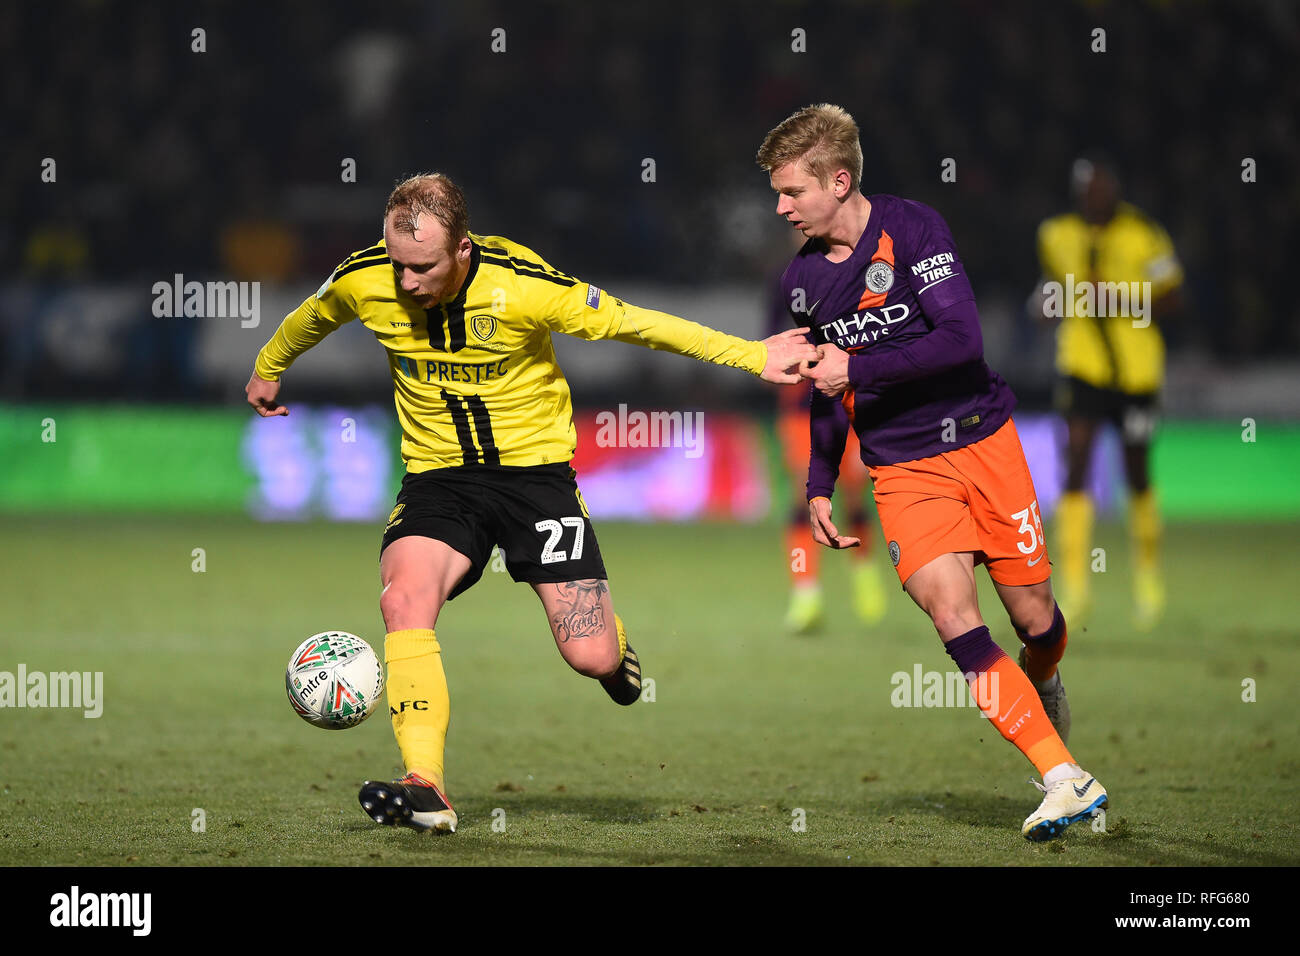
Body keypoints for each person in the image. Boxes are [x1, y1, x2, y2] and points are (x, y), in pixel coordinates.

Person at [246, 173, 817, 834]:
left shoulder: (524, 283)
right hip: (439, 481)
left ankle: (618, 654)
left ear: (462, 250)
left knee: (591, 656)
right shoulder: (365, 277)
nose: (405, 282)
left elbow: (637, 324)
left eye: (422, 267)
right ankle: (425, 784)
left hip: (535, 481)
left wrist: (751, 355)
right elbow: (310, 316)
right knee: (402, 600)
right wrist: (267, 370)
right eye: (398, 264)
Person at [756, 104, 1107, 840]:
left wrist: (860, 364)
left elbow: (961, 339)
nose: (780, 206)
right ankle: (1062, 775)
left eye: (791, 191)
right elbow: (825, 389)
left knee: (1035, 619)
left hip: (985, 443)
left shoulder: (913, 229)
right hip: (902, 469)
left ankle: (1042, 676)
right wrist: (821, 482)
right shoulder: (800, 282)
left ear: (838, 180)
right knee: (954, 615)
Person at [1034, 157, 1184, 630]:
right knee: (1076, 464)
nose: (1094, 197)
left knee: (1137, 471)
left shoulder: (1145, 235)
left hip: (1137, 374)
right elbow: (1049, 292)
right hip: (1082, 367)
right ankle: (1076, 588)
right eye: (1086, 190)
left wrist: (1115, 297)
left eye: (1101, 188)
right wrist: (1045, 305)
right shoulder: (1056, 235)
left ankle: (1147, 580)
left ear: (1115, 189)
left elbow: (1173, 300)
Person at [764, 262, 887, 633]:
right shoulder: (784, 285)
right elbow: (770, 342)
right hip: (801, 409)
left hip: (852, 401)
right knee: (805, 498)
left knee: (853, 495)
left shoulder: (859, 274)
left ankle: (865, 575)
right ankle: (806, 596)